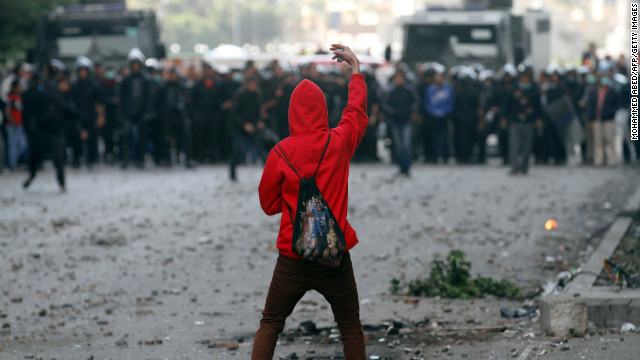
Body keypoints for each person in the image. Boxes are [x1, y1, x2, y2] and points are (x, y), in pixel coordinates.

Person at [252, 44, 368, 359]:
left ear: (291, 113)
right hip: (334, 254)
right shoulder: (339, 142)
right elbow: (355, 112)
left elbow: (267, 204)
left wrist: (292, 204)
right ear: (322, 108)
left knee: (271, 322)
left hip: (292, 256)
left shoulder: (280, 151)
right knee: (350, 327)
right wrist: (355, 69)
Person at [23, 75, 81, 192]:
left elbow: (70, 112)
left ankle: (62, 184)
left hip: (56, 131)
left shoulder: (67, 97)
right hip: (41, 130)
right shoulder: (50, 94)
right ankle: (31, 174)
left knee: (58, 158)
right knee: (35, 155)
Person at [380, 71, 420, 175]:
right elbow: (384, 104)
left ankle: (406, 167)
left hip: (406, 120)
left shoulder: (409, 90)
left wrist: (412, 112)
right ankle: (401, 167)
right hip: (395, 120)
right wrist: (392, 112)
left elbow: (416, 102)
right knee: (398, 145)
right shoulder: (390, 91)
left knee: (406, 145)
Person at [504, 70, 541, 175]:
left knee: (527, 146)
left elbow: (538, 106)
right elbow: (508, 105)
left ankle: (524, 166)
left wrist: (538, 118)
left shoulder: (534, 90)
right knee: (514, 145)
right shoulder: (514, 90)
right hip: (515, 121)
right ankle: (514, 167)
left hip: (529, 122)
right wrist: (505, 118)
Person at [229, 76, 265, 181]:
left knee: (260, 149)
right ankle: (232, 172)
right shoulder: (240, 95)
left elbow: (258, 111)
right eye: (251, 84)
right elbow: (235, 114)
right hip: (239, 128)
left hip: (253, 126)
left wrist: (259, 121)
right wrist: (244, 124)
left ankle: (270, 174)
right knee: (238, 149)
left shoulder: (257, 95)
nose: (253, 86)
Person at [586, 76, 618, 166]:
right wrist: (591, 119)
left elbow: (616, 105)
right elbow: (590, 106)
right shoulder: (594, 92)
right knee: (598, 141)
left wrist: (611, 112)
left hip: (609, 120)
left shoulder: (612, 92)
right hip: (597, 119)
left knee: (610, 140)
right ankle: (599, 160)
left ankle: (613, 160)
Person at [424, 69, 454, 164]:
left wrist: (445, 112)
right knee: (434, 137)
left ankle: (446, 156)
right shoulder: (430, 90)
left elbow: (451, 103)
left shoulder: (448, 90)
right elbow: (427, 103)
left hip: (444, 117)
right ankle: (435, 156)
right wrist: (433, 112)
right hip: (433, 117)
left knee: (445, 137)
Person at [5, 80, 28, 171]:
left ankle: (16, 162)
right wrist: (12, 122)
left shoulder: (19, 97)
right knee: (12, 145)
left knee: (22, 145)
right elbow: (7, 111)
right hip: (12, 125)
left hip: (20, 124)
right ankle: (12, 165)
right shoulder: (10, 97)